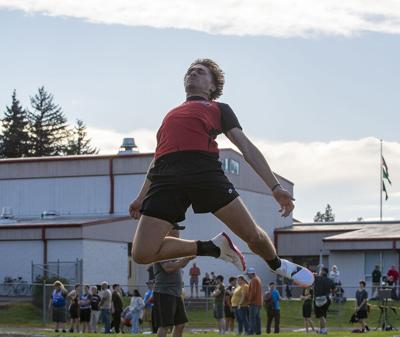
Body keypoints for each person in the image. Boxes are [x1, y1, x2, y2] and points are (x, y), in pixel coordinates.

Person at [129, 58, 314, 289]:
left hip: (203, 173)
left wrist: (275, 187)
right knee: (142, 253)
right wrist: (140, 197)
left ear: (212, 87)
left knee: (253, 236)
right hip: (166, 179)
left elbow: (246, 148)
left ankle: (277, 265)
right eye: (190, 71)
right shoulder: (170, 115)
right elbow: (157, 158)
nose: (193, 73)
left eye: (200, 72)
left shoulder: (219, 109)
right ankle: (212, 248)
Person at [152, 229, 192, 337]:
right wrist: (185, 259)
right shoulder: (161, 248)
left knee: (180, 324)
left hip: (175, 292)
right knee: (164, 326)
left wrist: (188, 258)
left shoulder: (172, 250)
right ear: (167, 232)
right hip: (165, 292)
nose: (178, 233)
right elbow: (168, 268)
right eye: (175, 230)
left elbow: (179, 265)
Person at [313, 267, 335, 334]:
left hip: (319, 299)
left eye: (321, 270)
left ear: (323, 271)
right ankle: (321, 330)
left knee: (321, 315)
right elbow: (334, 289)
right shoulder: (330, 280)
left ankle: (324, 330)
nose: (320, 271)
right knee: (323, 316)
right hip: (327, 299)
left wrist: (313, 274)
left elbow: (311, 276)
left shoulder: (317, 278)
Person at [247, 267, 263, 335]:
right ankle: (258, 331)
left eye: (248, 274)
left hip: (254, 302)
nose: (248, 276)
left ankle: (251, 332)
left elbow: (253, 292)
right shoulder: (258, 279)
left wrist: (249, 301)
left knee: (252, 318)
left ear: (251, 274)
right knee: (257, 318)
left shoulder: (253, 280)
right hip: (259, 302)